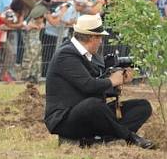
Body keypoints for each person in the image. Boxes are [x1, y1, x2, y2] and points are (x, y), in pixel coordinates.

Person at [44, 14, 153, 149]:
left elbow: (96, 88)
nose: (101, 41)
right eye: (100, 37)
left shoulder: (90, 55)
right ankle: (129, 137)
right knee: (93, 105)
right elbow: (88, 86)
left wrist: (119, 82)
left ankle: (99, 141)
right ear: (92, 37)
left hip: (90, 112)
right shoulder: (66, 54)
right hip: (65, 119)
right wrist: (111, 81)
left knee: (142, 106)